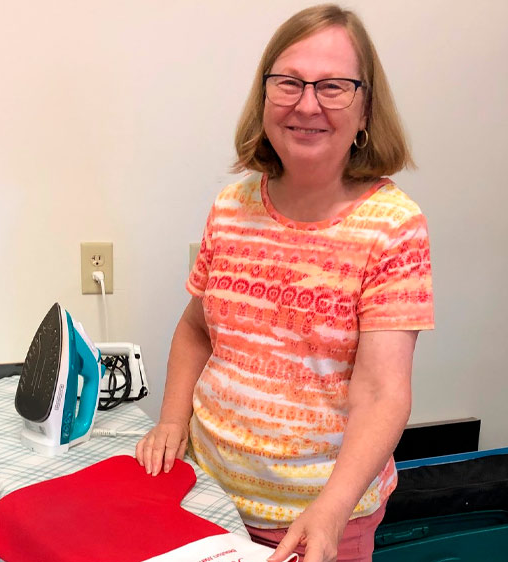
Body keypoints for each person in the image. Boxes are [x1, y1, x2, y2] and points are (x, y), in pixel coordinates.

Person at [136, 4, 434, 561]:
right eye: (289, 83)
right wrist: (172, 420)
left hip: (317, 520)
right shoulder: (231, 206)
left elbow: (382, 392)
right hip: (206, 497)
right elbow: (196, 329)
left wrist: (332, 510)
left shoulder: (394, 226)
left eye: (334, 86)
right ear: (265, 96)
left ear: (366, 109)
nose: (306, 104)